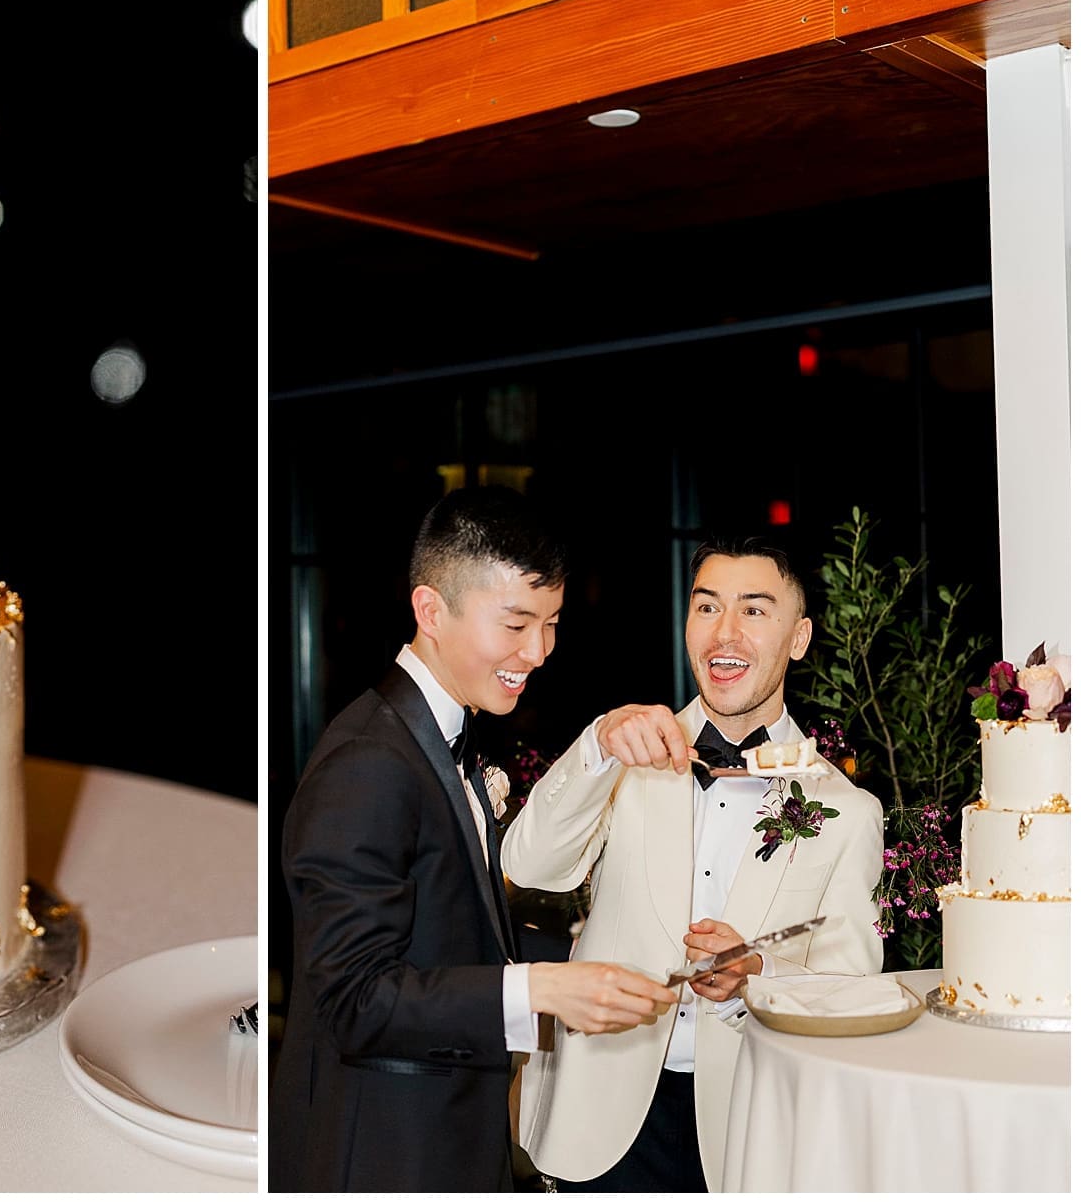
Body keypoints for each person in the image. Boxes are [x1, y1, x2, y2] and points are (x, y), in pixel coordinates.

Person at [272, 488, 678, 1192]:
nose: (539, 651)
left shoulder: (442, 738)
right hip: (386, 1154)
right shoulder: (367, 762)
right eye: (516, 623)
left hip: (451, 1140)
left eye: (551, 623)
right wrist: (543, 987)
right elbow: (355, 1000)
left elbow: (456, 937)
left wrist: (612, 965)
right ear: (431, 609)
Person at [502, 538, 886, 1191]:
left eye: (754, 610)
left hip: (750, 1127)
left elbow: (850, 987)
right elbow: (531, 863)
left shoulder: (844, 807)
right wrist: (598, 744)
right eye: (707, 606)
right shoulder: (626, 749)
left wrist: (759, 973)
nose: (724, 631)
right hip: (600, 1116)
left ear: (798, 637)